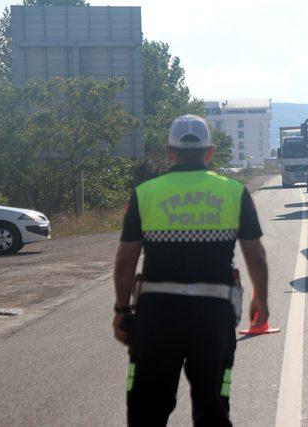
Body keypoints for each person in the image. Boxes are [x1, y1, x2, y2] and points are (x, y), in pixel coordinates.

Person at [112, 115, 269, 426]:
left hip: (157, 316)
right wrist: (260, 299)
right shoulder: (234, 192)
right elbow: (256, 255)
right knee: (212, 408)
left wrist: (121, 309)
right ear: (209, 152)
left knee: (147, 411)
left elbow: (126, 259)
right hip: (213, 315)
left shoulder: (144, 194)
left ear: (170, 152)